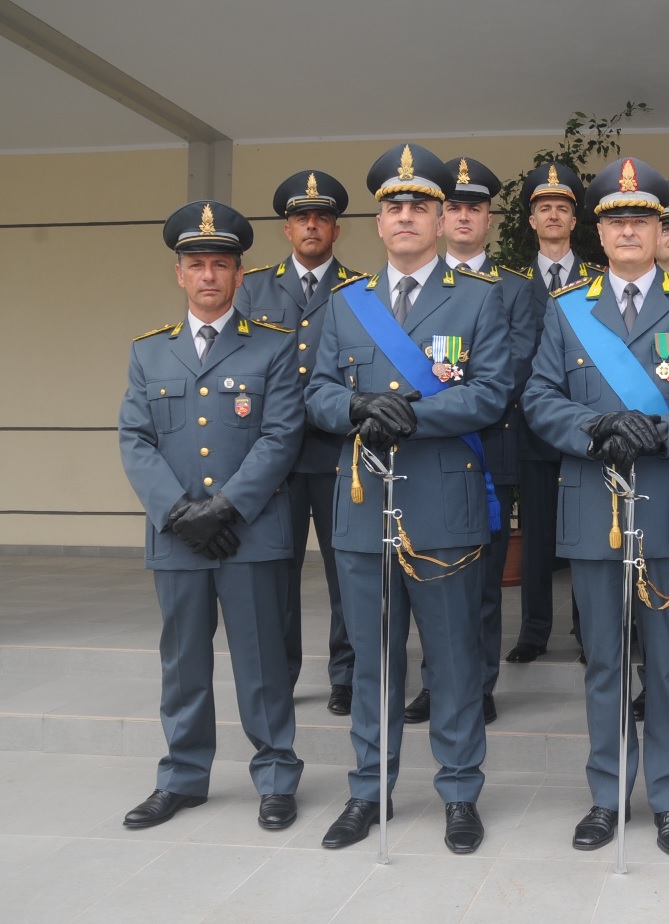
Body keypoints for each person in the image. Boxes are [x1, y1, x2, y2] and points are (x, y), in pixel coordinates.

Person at [522, 156, 669, 856]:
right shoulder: (567, 308)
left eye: (641, 219)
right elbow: (538, 398)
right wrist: (594, 432)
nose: (628, 229)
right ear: (599, 229)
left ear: (659, 229)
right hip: (593, 507)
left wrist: (665, 430)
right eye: (615, 219)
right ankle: (607, 794)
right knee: (605, 664)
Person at [306, 143, 511, 854]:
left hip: (444, 505)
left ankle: (459, 793)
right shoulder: (345, 305)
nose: (405, 218)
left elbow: (490, 392)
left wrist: (413, 417)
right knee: (374, 660)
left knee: (453, 660)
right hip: (364, 508)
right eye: (392, 207)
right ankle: (369, 790)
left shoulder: (481, 298)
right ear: (378, 221)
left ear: (441, 219)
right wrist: (359, 407)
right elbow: (317, 391)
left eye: (419, 207)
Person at [118, 200, 304, 831]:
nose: (207, 276)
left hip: (248, 535)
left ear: (239, 274)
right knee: (183, 663)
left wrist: (224, 507)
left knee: (262, 663)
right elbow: (134, 439)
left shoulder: (274, 349)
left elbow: (281, 436)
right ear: (179, 274)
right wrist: (179, 514)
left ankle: (277, 777)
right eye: (195, 264)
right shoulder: (150, 353)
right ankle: (183, 777)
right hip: (177, 541)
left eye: (219, 265)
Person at [402, 155, 529, 728]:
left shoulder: (515, 288)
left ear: (489, 219)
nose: (461, 216)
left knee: (478, 581)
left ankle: (477, 684)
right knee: (426, 575)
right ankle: (435, 682)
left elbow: (516, 367)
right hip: (416, 458)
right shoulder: (402, 287)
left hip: (486, 451)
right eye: (450, 206)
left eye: (472, 207)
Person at [237, 170, 359, 714]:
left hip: (340, 455)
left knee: (346, 573)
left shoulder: (361, 290)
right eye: (301, 218)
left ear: (336, 229)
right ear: (287, 229)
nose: (312, 225)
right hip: (276, 460)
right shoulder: (254, 288)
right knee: (276, 574)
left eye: (322, 218)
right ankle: (281, 674)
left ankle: (347, 674)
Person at [507, 163, 597, 666]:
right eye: (545, 209)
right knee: (538, 534)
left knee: (586, 532)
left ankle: (588, 630)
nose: (554, 216)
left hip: (588, 428)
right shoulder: (512, 285)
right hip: (535, 427)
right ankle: (534, 630)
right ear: (532, 221)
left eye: (563, 208)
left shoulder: (598, 281)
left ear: (574, 220)